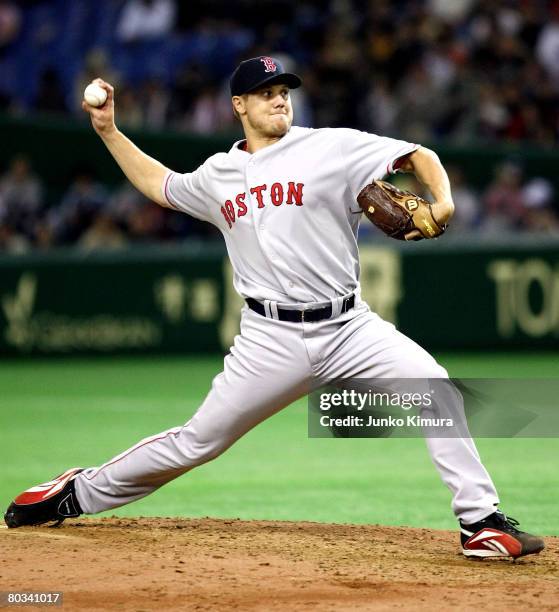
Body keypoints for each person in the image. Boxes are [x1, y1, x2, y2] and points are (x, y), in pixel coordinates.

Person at [4, 56, 544, 559]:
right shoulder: (218, 174)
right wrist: (108, 131)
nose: (279, 100)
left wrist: (442, 199)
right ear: (239, 105)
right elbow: (159, 185)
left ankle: (482, 523)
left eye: (283, 91)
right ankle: (77, 492)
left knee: (435, 388)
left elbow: (418, 157)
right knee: (198, 442)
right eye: (265, 94)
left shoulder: (331, 147)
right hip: (270, 339)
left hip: (349, 327)